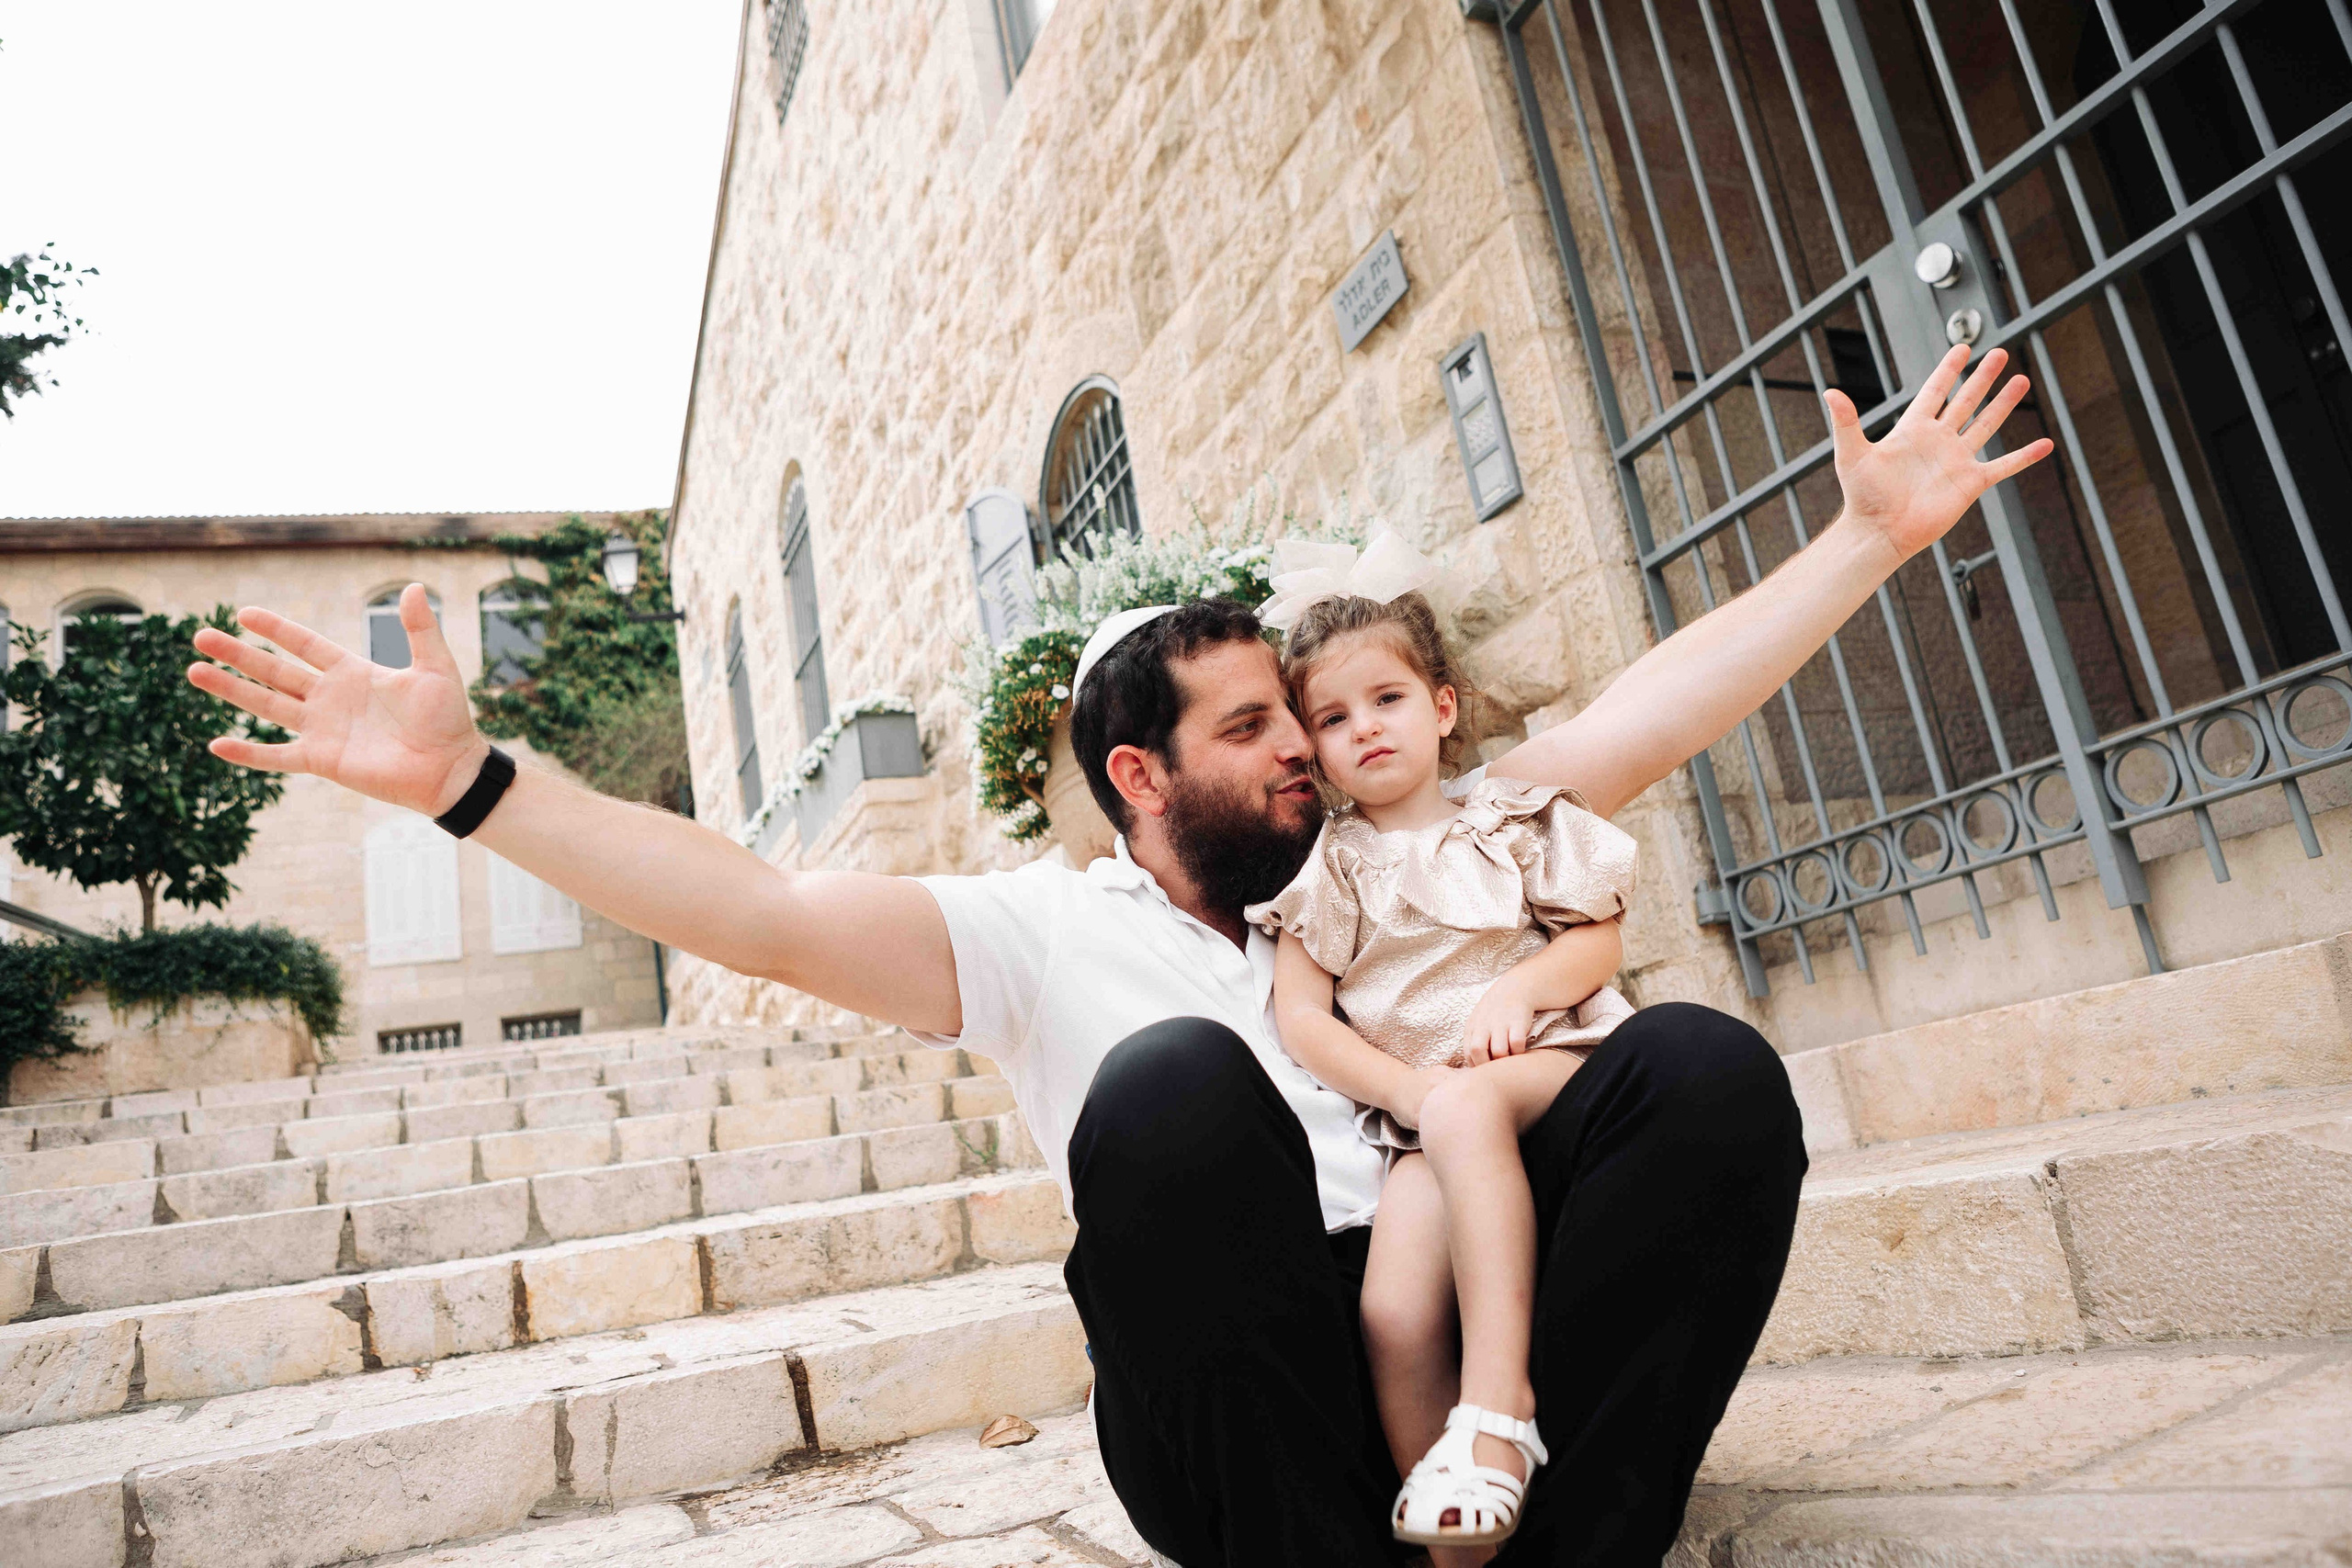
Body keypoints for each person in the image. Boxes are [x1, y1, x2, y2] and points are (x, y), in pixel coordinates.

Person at [186, 348, 2052, 1566]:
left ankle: (1569, 1548)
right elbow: (745, 905)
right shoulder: (1026, 935)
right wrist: (471, 782)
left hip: (1481, 1328)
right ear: (1140, 773)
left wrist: (1864, 541)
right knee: (1170, 1091)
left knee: (1702, 1070)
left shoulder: (1412, 837)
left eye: (1305, 713)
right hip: (1242, 1409)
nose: (1304, 747)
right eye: (1254, 727)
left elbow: (1648, 711)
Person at [1250, 567, 1640, 1557]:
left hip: (1551, 1058)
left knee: (1466, 1110)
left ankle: (1498, 1412)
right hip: (1422, 1114)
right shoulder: (1329, 870)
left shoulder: (1508, 819)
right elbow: (1302, 1017)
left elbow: (1595, 939)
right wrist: (1404, 1090)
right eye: (1333, 719)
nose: (1366, 728)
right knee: (1391, 1309)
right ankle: (1458, 1547)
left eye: (1386, 699)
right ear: (1318, 753)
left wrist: (1519, 991)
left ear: (1441, 705)